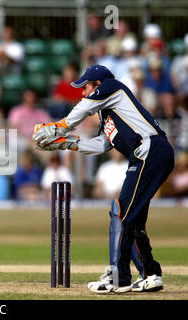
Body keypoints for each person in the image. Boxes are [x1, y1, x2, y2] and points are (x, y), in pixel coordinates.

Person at [33, 65, 174, 293]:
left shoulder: (111, 86)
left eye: (86, 86)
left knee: (120, 212)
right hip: (149, 155)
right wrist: (67, 143)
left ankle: (118, 277)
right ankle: (151, 274)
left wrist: (58, 128)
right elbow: (103, 143)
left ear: (97, 84)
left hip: (150, 151)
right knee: (132, 218)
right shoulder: (109, 111)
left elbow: (84, 108)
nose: (83, 92)